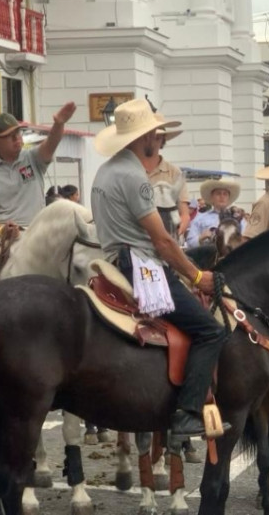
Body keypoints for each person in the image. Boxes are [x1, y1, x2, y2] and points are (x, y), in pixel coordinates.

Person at [90, 98, 228, 436]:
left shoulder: (106, 170)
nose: (158, 136)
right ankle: (187, 412)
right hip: (141, 265)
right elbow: (163, 242)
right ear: (144, 137)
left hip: (113, 259)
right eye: (154, 132)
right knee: (211, 330)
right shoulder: (134, 176)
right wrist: (197, 276)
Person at [0, 103, 76, 301]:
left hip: (36, 233)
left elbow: (51, 143)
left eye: (18, 133)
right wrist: (3, 230)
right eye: (9, 135)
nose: (16, 138)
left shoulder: (32, 158)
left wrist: (59, 124)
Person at [147, 128, 190, 243]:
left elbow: (184, 214)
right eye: (148, 137)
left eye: (156, 138)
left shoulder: (174, 172)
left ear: (162, 140)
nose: (152, 142)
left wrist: (177, 234)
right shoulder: (132, 171)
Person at [186, 179, 241, 247]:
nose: (222, 196)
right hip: (207, 253)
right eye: (218, 193)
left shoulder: (237, 218)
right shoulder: (200, 218)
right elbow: (190, 242)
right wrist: (201, 238)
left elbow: (246, 239)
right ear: (211, 197)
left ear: (228, 198)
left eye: (225, 194)